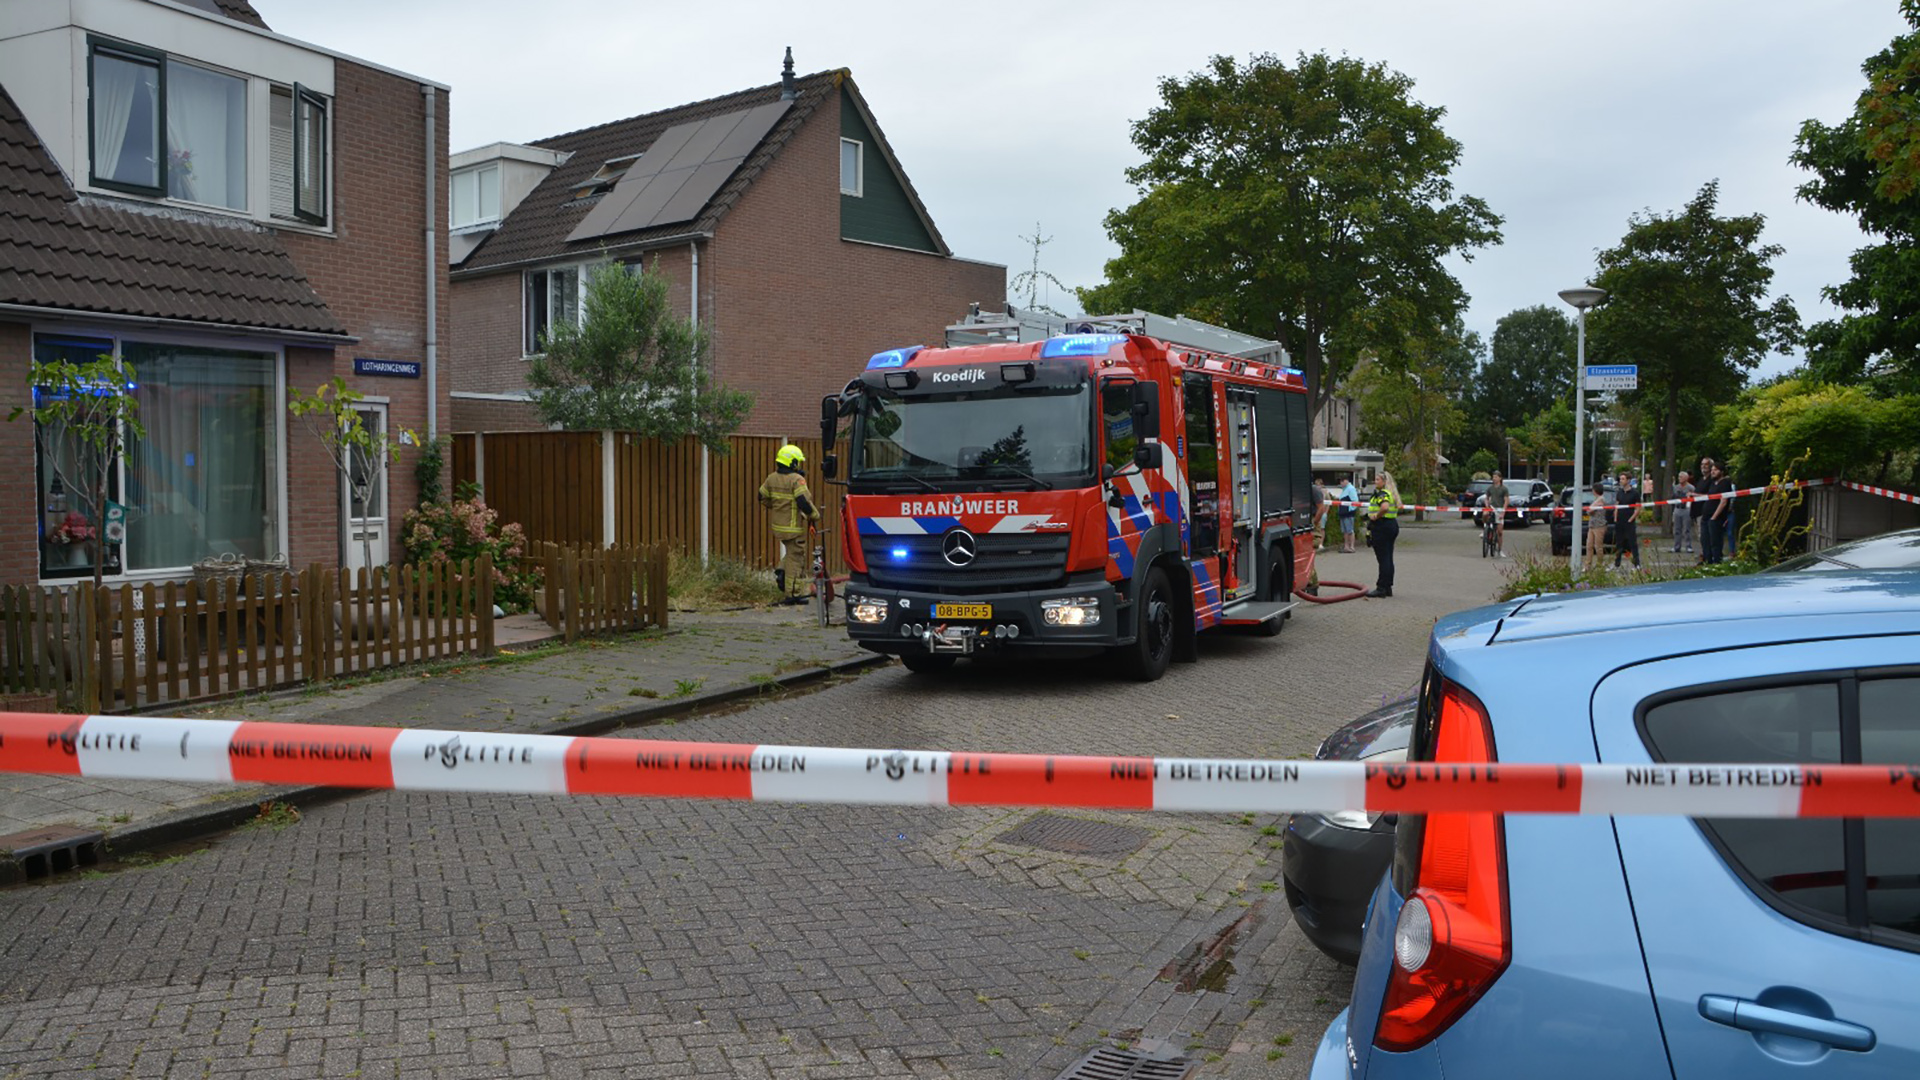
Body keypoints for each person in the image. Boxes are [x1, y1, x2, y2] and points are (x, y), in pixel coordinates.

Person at [758, 443, 820, 604]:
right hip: (793, 527)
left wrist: (777, 506)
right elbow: (803, 501)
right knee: (796, 557)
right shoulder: (797, 480)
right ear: (792, 462)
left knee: (792, 552)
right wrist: (814, 515)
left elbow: (762, 497)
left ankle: (781, 570)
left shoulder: (771, 477)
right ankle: (792, 594)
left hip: (779, 526)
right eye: (796, 462)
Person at [1365, 472, 1401, 598]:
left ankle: (1381, 587)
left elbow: (1384, 507)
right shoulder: (1391, 493)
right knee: (1388, 557)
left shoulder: (1382, 494)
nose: (1375, 481)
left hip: (1382, 526)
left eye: (1377, 479)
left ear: (1384, 481)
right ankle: (1388, 586)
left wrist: (1376, 516)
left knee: (1383, 559)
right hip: (1391, 525)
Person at [1703, 461, 1735, 565]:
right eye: (1712, 470)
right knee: (1705, 540)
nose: (1712, 472)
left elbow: (1723, 501)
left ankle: (1717, 561)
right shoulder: (1712, 484)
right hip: (1706, 516)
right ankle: (1708, 560)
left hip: (1716, 518)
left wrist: (1714, 517)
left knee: (1715, 541)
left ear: (1721, 471)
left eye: (1715, 470)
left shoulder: (1725, 484)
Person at [1612, 472, 1641, 571]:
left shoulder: (1635, 493)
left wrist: (1631, 519)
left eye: (1623, 479)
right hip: (1619, 521)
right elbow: (1617, 505)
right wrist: (1615, 518)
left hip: (1629, 521)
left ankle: (1637, 564)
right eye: (1620, 479)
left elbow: (1637, 509)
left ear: (1628, 480)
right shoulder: (1619, 492)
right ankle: (1617, 564)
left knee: (1632, 542)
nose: (1621, 481)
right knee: (1619, 543)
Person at [1690, 458, 1715, 563]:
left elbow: (1711, 496)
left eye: (1706, 464)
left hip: (1704, 512)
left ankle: (1708, 557)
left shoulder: (1711, 480)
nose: (1703, 466)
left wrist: (1694, 495)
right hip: (1696, 512)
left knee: (1704, 536)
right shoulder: (1701, 480)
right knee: (1699, 537)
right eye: (1702, 464)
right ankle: (1703, 554)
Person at [1483, 470, 1511, 557]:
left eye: (1495, 477)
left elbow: (1506, 501)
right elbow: (1486, 498)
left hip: (1499, 509)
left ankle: (1499, 550)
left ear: (1500, 478)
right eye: (1493, 477)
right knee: (1485, 514)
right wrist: (1487, 504)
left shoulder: (1504, 489)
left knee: (1500, 532)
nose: (1494, 479)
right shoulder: (1490, 488)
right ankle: (1485, 529)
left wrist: (1503, 512)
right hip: (1492, 508)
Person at [1670, 471, 1696, 554]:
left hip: (1686, 509)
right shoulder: (1675, 487)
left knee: (1687, 529)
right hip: (1677, 508)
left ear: (1686, 478)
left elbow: (1693, 498)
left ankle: (1688, 546)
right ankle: (1676, 546)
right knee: (1677, 529)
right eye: (1679, 476)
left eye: (1681, 477)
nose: (1679, 478)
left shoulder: (1691, 487)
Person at [1586, 479, 1611, 561]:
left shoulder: (1601, 499)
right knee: (1589, 546)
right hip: (1592, 525)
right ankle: (1587, 565)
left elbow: (1589, 510)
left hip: (1599, 526)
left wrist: (1590, 508)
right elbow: (1589, 510)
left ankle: (1600, 565)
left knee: (1598, 546)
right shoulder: (1596, 500)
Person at [1336, 475, 1360, 553]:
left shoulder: (1351, 489)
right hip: (1343, 513)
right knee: (1345, 531)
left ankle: (1352, 547)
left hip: (1348, 513)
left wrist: (1350, 510)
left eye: (1342, 481)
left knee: (1350, 530)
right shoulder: (1344, 489)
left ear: (1346, 481)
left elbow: (1355, 501)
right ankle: (1346, 546)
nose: (1341, 483)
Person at [1312, 477, 1329, 550]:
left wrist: (1325, 512)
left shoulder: (1324, 492)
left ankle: (1320, 543)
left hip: (1321, 513)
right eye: (1316, 484)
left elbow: (1327, 503)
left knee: (1322, 528)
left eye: (1318, 484)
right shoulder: (1316, 490)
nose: (1317, 485)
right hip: (1317, 513)